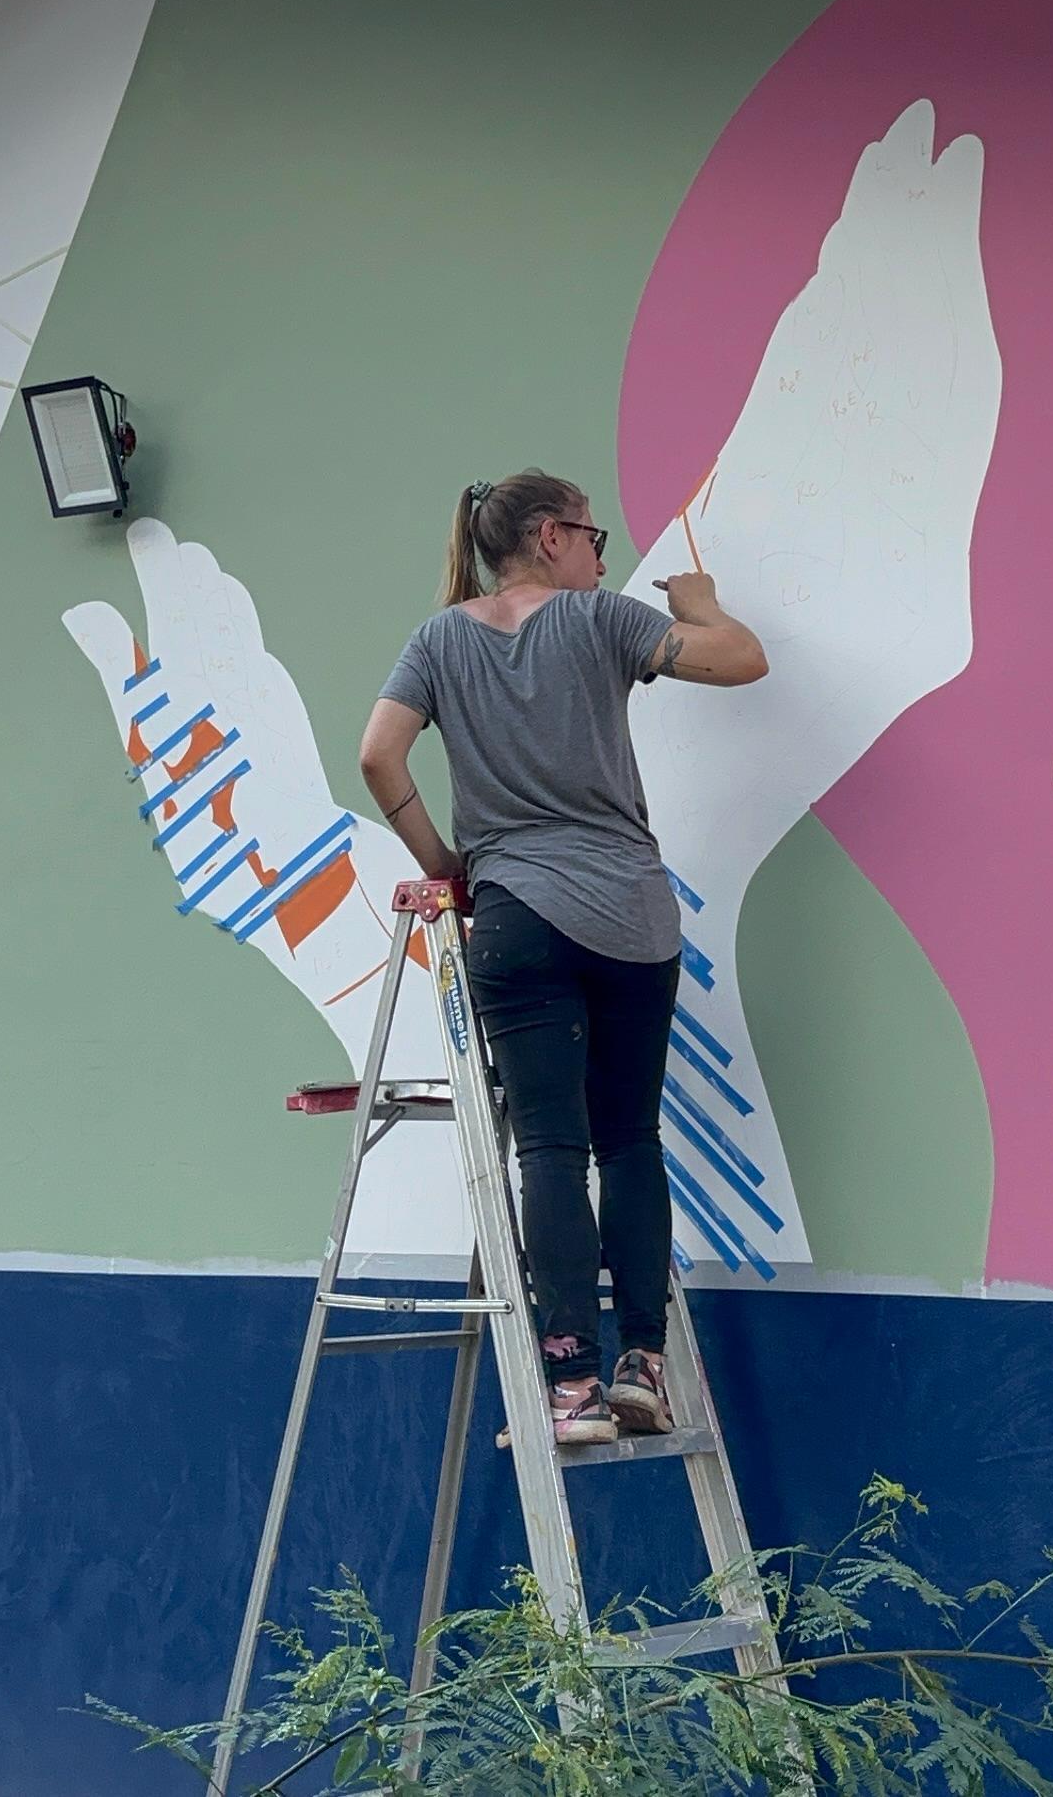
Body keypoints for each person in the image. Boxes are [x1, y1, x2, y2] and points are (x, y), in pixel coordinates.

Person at [360, 469, 767, 1445]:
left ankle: (570, 1391)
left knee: (547, 1147)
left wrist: (446, 867)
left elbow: (379, 755)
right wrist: (704, 604)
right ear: (549, 537)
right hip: (628, 915)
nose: (601, 555)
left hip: (511, 919)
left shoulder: (438, 639)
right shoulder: (603, 622)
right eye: (594, 536)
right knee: (627, 1141)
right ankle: (641, 1366)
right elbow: (741, 660)